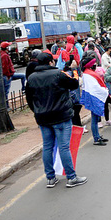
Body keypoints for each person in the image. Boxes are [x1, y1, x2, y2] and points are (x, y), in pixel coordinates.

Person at [25, 52, 87, 188]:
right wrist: (75, 70)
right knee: (64, 147)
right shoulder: (58, 74)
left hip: (42, 117)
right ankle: (71, 177)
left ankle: (50, 178)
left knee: (47, 146)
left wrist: (37, 111)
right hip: (60, 116)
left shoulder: (31, 78)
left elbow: (29, 99)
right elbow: (74, 84)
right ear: (50, 62)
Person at [80, 57, 110, 146]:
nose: (96, 65)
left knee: (96, 118)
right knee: (94, 118)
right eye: (94, 64)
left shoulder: (88, 73)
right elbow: (95, 88)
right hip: (94, 97)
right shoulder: (88, 74)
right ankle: (96, 138)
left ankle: (97, 136)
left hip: (93, 97)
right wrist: (104, 91)